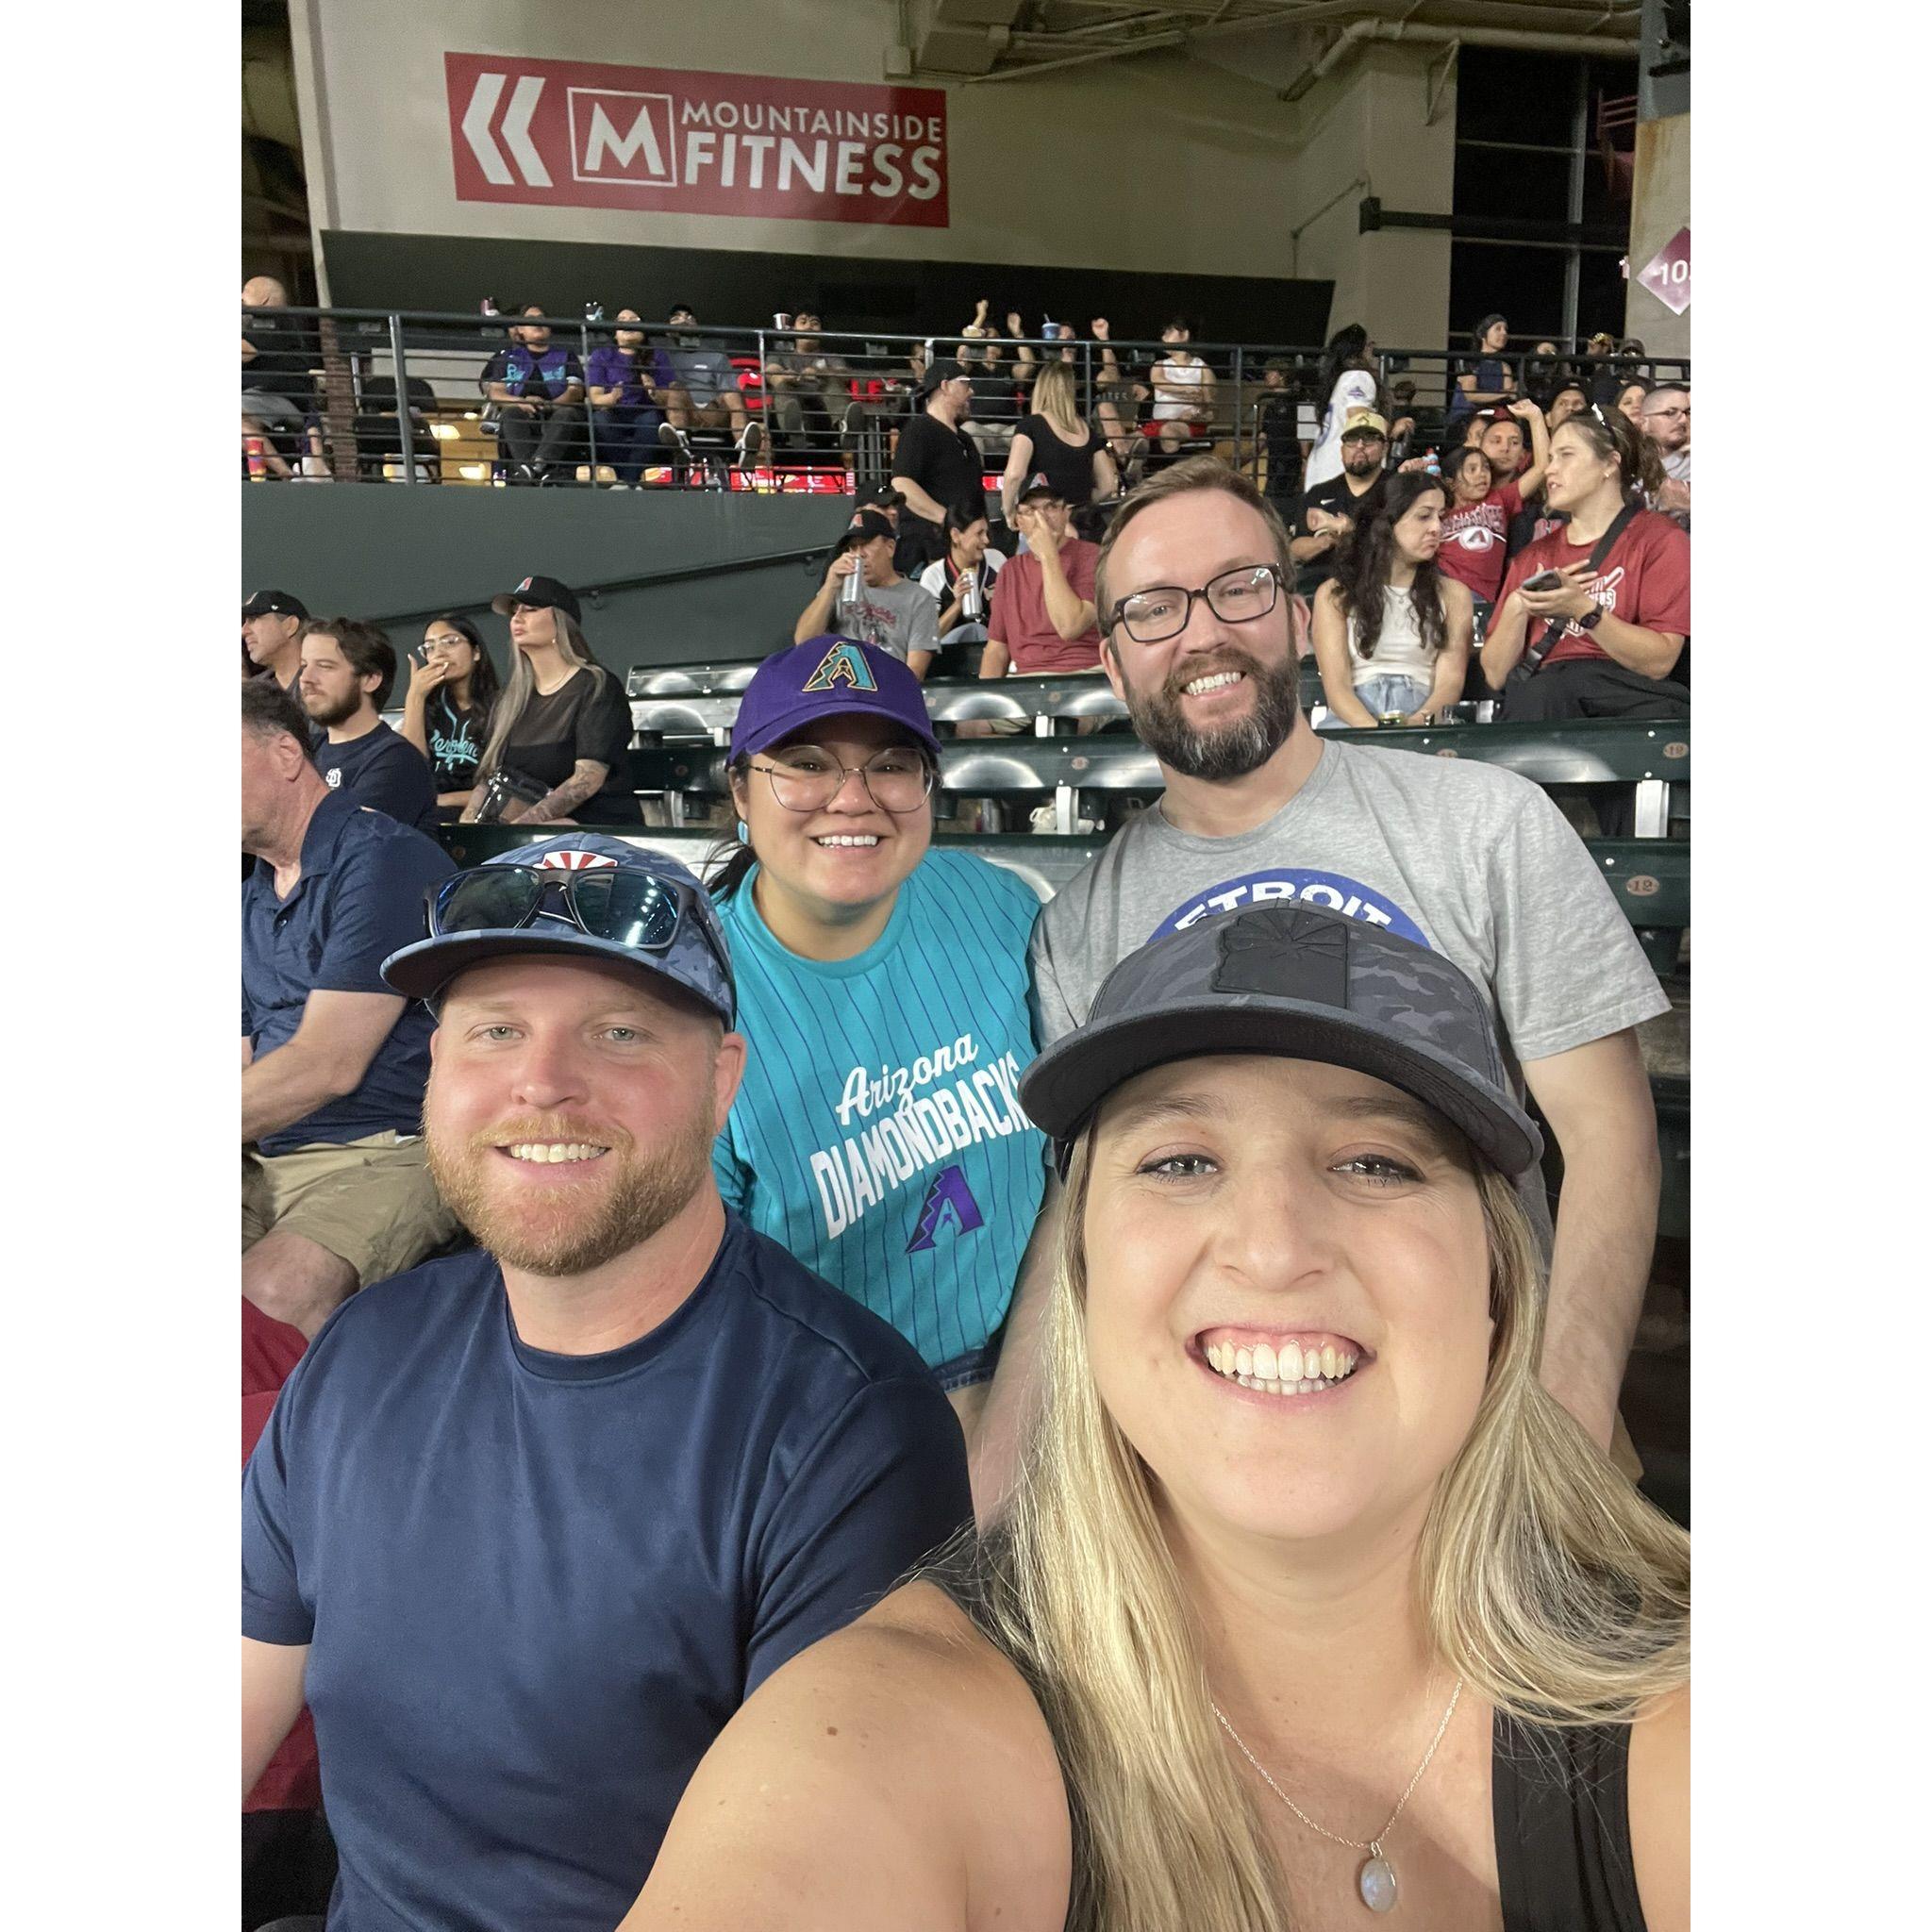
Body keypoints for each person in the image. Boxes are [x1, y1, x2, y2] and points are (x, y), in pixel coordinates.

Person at [619, 905, 1690, 1932]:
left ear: (1500, 1281)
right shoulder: (880, 1729)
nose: (1271, 1248)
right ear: (1081, 1267)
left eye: (1376, 1161)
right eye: (1179, 1160)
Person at [242, 835, 973, 1931]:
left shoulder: (850, 1430)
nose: (543, 1081)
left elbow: (815, 1875)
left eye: (618, 1032)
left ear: (721, 1079)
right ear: (436, 1068)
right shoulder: (358, 1353)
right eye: (494, 1030)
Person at [1021, 458, 1672, 1476]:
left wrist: (1563, 1427)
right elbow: (1092, 1225)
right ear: (1111, 665)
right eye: (1151, 608)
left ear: (1291, 615)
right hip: (1230, 1449)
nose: (1201, 632)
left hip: (1488, 1438)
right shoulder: (1075, 928)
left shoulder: (1485, 824)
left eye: (1236, 586)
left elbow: (1608, 1136)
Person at [707, 639, 1048, 1447]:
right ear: (741, 794)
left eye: (890, 765)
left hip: (1045, 1341)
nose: (853, 799)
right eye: (807, 764)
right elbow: (706, 1318)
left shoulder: (999, 906)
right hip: (833, 1402)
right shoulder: (692, 998)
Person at [242, 677, 458, 1341]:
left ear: (284, 755)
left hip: (390, 1147)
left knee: (270, 1297)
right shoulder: (251, 893)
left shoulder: (383, 859)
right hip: (269, 1150)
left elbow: (327, 1064)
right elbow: (243, 1052)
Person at [1483, 409, 1690, 767]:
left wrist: (1584, 609)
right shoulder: (1533, 556)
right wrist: (1519, 605)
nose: (1549, 470)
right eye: (1549, 459)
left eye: (1566, 455)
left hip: (1627, 704)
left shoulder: (1660, 540)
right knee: (1536, 692)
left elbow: (1659, 662)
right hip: (1542, 703)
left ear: (1609, 464)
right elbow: (1496, 674)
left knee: (1551, 689)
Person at [462, 575, 639, 826]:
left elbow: (587, 780)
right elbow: (489, 778)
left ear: (561, 622)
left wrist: (520, 830)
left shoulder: (597, 686)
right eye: (514, 611)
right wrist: (469, 826)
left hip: (593, 830)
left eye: (530, 610)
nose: (517, 618)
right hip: (527, 838)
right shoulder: (509, 700)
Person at [1311, 473, 1474, 729]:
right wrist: (1376, 735)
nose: (1436, 528)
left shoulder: (1454, 594)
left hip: (1425, 717)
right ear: (1387, 521)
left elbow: (1450, 682)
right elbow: (1337, 690)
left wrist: (1413, 727)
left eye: (1440, 517)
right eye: (1424, 516)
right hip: (1353, 717)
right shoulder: (1334, 594)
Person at [297, 618, 438, 832]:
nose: (306, 678)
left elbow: (342, 842)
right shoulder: (305, 752)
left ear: (371, 679)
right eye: (304, 666)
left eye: (325, 667)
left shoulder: (398, 760)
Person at [977, 474, 1102, 682]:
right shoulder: (1010, 570)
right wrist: (983, 704)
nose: (1042, 517)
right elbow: (997, 648)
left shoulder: (1093, 556)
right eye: (1031, 510)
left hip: (1085, 675)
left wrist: (1048, 555)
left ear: (1066, 513)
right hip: (1027, 680)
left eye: (1051, 507)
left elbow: (1070, 627)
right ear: (1018, 521)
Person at [1435, 399, 1550, 612]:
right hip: (1440, 591)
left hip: (1484, 599)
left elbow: (1542, 466)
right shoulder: (1439, 501)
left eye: (1485, 468)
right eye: (1472, 469)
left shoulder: (1500, 500)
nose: (1481, 475)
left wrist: (1536, 418)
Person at [793, 510, 939, 676]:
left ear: (890, 547)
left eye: (866, 543)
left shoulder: (919, 598)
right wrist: (830, 586)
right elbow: (803, 642)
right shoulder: (839, 588)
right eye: (853, 547)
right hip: (839, 687)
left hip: (887, 691)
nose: (859, 554)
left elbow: (915, 672)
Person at [397, 613, 502, 817]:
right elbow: (411, 769)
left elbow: (501, 787)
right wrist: (415, 697)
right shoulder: (427, 706)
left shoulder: (503, 707)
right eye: (430, 647)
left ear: (476, 652)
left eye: (450, 642)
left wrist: (442, 800)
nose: (440, 653)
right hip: (425, 810)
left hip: (478, 813)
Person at [891, 361, 984, 576]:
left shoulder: (965, 439)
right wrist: (949, 520)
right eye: (965, 384)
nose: (971, 391)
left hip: (965, 549)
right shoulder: (918, 430)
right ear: (945, 386)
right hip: (930, 549)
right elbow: (902, 483)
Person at [482, 306, 588, 485]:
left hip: (557, 412)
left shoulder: (566, 356)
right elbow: (496, 392)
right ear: (521, 329)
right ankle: (534, 470)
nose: (538, 322)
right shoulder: (508, 356)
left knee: (567, 413)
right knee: (510, 413)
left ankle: (533, 468)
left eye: (542, 319)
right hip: (522, 414)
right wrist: (521, 402)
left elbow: (575, 392)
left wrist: (550, 405)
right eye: (531, 319)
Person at [1289, 408, 1388, 597]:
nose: (1359, 446)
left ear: (1384, 447)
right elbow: (1295, 548)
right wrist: (1328, 541)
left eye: (1369, 439)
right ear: (1342, 450)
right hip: (1320, 587)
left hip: (1377, 586)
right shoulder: (1319, 492)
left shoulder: (1397, 489)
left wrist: (1352, 532)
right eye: (1352, 440)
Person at [1000, 361, 1117, 520]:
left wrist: (1009, 512)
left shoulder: (1030, 425)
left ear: (1041, 389)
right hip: (1083, 522)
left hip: (1045, 522)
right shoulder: (1086, 430)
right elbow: (1108, 484)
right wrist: (1082, 504)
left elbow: (1014, 474)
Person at [655, 303, 760, 468]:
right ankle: (679, 442)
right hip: (685, 413)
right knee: (676, 388)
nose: (684, 320)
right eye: (677, 318)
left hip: (713, 411)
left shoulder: (716, 356)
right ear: (668, 330)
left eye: (689, 317)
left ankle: (744, 446)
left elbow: (729, 391)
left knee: (731, 392)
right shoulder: (662, 356)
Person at [584, 309, 668, 486]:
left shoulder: (657, 355)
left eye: (633, 320)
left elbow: (668, 398)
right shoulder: (602, 355)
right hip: (613, 411)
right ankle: (631, 480)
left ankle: (624, 481)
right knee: (599, 419)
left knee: (652, 420)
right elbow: (595, 398)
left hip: (644, 412)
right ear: (615, 333)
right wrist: (612, 397)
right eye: (622, 320)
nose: (628, 323)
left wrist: (653, 390)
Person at [242, 275, 314, 480]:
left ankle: (284, 472)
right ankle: (263, 473)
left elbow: (245, 351)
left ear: (264, 299)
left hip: (279, 397)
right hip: (258, 398)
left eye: (246, 291)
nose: (240, 297)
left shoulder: (271, 319)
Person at [916, 502, 1007, 655]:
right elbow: (927, 638)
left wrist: (1001, 602)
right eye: (979, 534)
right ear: (956, 535)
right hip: (950, 657)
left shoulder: (996, 560)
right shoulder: (934, 575)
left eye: (986, 533)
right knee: (974, 630)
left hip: (994, 650)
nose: (986, 540)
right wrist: (957, 605)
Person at [762, 309, 851, 458]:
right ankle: (796, 431)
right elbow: (772, 373)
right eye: (803, 322)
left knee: (834, 383)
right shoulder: (779, 356)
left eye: (814, 323)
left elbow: (844, 376)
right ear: (794, 329)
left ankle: (845, 429)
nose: (809, 325)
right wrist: (786, 376)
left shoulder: (831, 358)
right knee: (782, 387)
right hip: (799, 411)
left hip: (824, 417)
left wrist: (818, 372)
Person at [1303, 323, 1382, 488]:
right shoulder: (1358, 377)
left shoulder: (1337, 381)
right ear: (1361, 350)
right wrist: (1393, 429)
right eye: (1369, 345)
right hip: (1339, 475)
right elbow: (1359, 420)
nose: (1372, 351)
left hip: (1320, 473)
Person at [1144, 316, 1217, 457]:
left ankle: (1174, 474)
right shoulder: (1160, 365)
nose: (1163, 337)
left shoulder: (1202, 368)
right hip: (1159, 423)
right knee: (1131, 440)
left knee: (1169, 432)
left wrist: (1196, 414)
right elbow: (1159, 382)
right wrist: (1187, 390)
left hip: (1188, 425)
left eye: (1169, 332)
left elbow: (1210, 408)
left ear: (1184, 335)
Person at [1445, 312, 1516, 428]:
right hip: (1465, 420)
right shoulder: (1469, 361)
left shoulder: (1504, 366)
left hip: (1492, 418)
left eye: (1505, 329)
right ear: (1484, 334)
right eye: (1498, 329)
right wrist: (1505, 393)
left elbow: (1510, 395)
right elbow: (1471, 396)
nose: (1504, 333)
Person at [242, 588, 309, 695]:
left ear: (290, 625)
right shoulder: (251, 693)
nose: (243, 631)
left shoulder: (323, 683)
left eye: (253, 619)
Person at [1641, 385, 1690, 522]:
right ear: (1644, 422)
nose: (1683, 420)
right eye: (1670, 413)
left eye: (1687, 412)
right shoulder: (1630, 463)